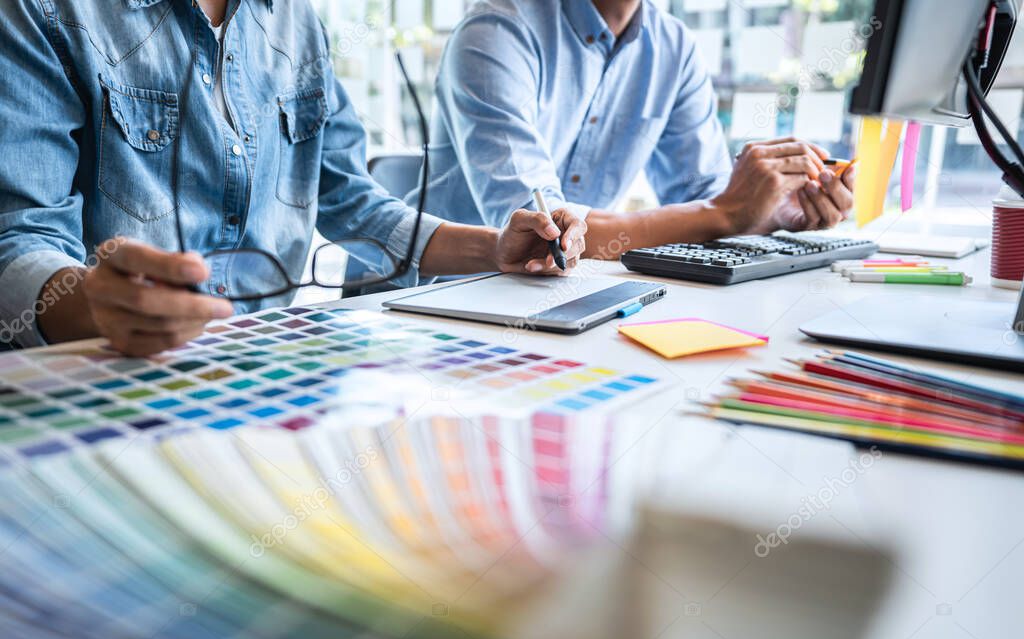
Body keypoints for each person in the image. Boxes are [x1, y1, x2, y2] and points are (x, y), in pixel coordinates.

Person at [0, 0, 586, 357]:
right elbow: (17, 238)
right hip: (104, 370)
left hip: (261, 364)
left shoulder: (297, 20)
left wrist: (496, 249)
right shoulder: (45, 10)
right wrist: (93, 306)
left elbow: (349, 199)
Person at [415, 0, 856, 258]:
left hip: (562, 290)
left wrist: (772, 212)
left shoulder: (673, 46)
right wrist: (728, 211)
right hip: (446, 298)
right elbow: (538, 233)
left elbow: (702, 200)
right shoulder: (497, 30)